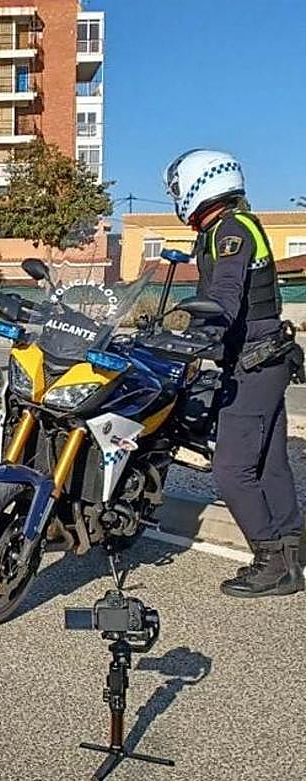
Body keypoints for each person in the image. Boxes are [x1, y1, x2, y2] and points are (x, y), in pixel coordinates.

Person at [165, 149, 305, 599]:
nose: (175, 197)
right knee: (269, 463)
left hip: (255, 360)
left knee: (230, 469)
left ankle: (271, 563)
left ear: (198, 184)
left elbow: (224, 294)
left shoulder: (231, 230)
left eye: (177, 188)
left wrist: (198, 338)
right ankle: (292, 548)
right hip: (264, 358)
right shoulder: (223, 229)